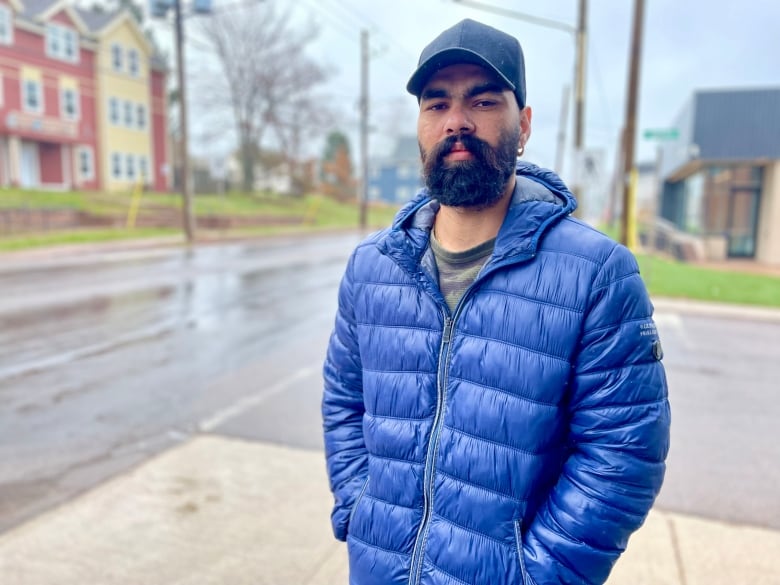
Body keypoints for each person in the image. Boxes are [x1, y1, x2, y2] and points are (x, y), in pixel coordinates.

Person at [322, 18, 670, 585]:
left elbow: (623, 455)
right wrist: (357, 509)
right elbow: (343, 400)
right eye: (437, 105)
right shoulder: (371, 267)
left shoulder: (597, 274)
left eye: (482, 101)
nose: (457, 121)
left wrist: (538, 576)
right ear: (420, 126)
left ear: (524, 124)